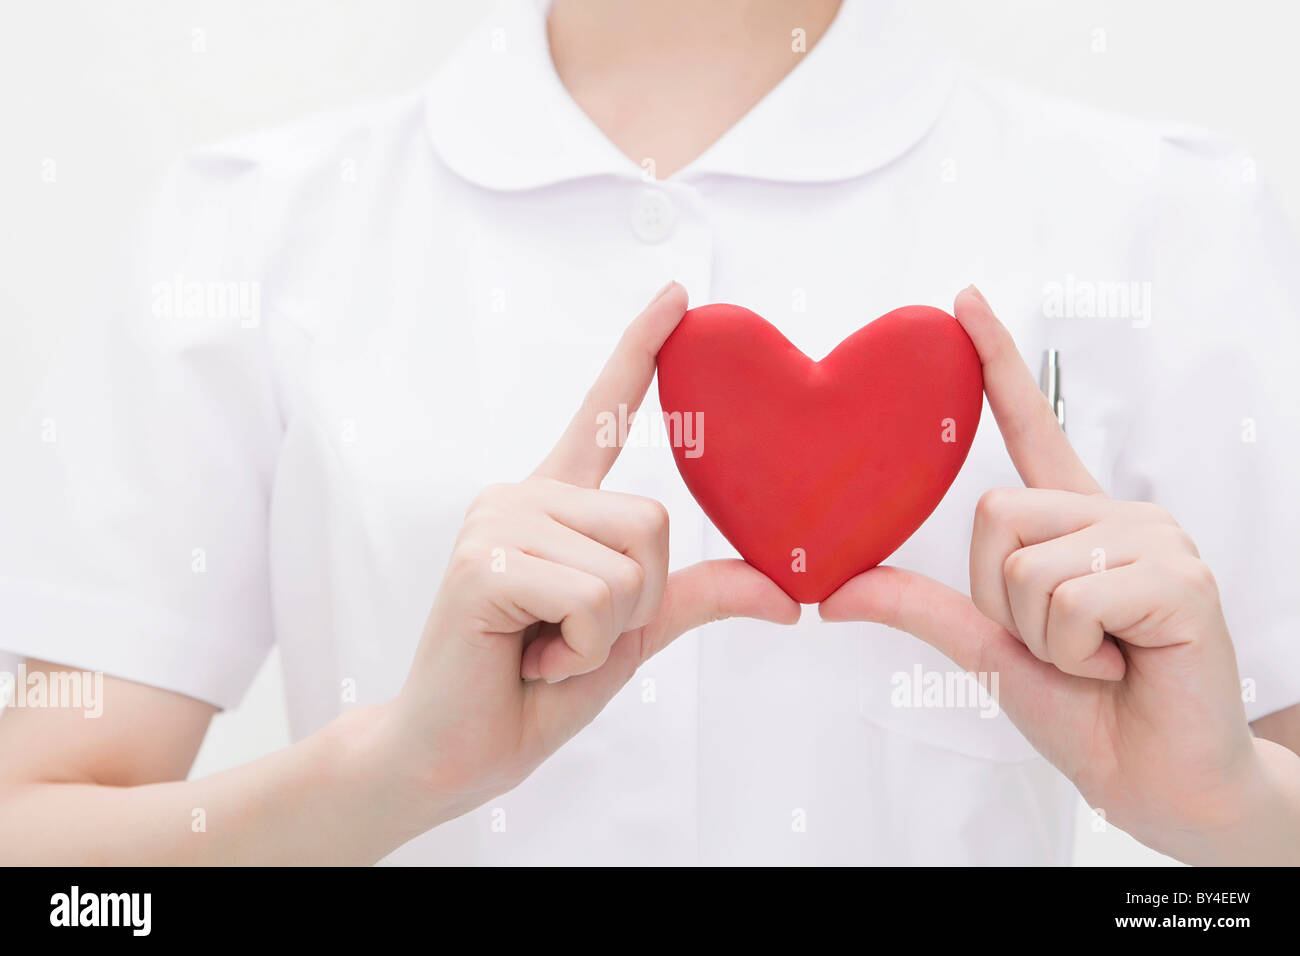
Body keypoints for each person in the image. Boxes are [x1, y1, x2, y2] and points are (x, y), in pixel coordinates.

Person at [1, 0, 1297, 865]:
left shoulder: (1159, 213)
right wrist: (386, 778)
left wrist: (1230, 817)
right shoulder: (249, 229)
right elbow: (43, 850)